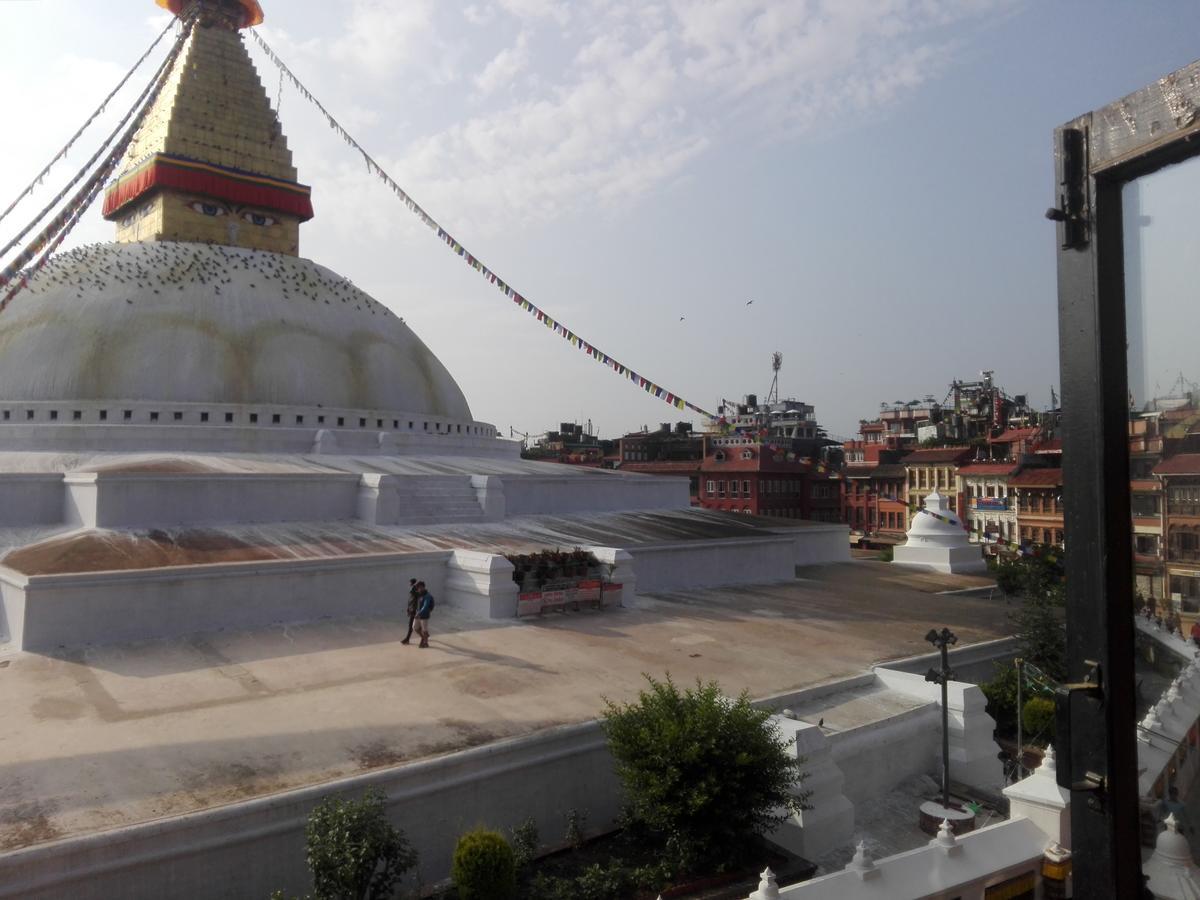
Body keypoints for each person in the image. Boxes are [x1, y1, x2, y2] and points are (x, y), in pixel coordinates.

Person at [414, 582, 434, 649]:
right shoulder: (419, 594)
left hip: (424, 616)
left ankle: (426, 643)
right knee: (415, 628)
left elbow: (425, 606)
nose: (417, 589)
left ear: (422, 587)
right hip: (418, 615)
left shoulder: (427, 596)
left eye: (418, 587)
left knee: (424, 630)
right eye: (417, 588)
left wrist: (419, 613)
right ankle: (424, 637)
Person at [401, 577, 420, 645]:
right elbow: (410, 601)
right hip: (411, 610)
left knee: (411, 625)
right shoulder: (413, 592)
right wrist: (408, 609)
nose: (410, 585)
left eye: (410, 583)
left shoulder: (416, 592)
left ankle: (407, 639)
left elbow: (413, 593)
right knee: (416, 626)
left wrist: (414, 586)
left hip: (414, 611)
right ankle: (425, 636)